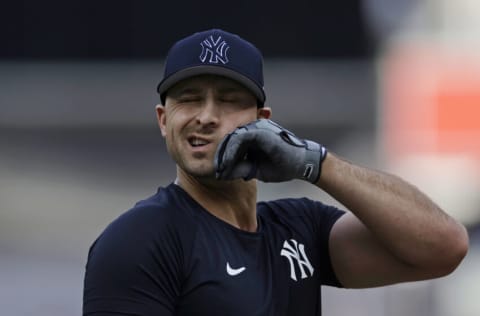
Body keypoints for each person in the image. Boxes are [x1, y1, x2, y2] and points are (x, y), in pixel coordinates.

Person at [82, 28, 469, 316]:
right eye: (189, 100)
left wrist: (316, 163)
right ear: (164, 120)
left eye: (229, 101)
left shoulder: (298, 226)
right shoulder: (140, 240)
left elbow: (443, 248)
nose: (206, 116)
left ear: (263, 121)